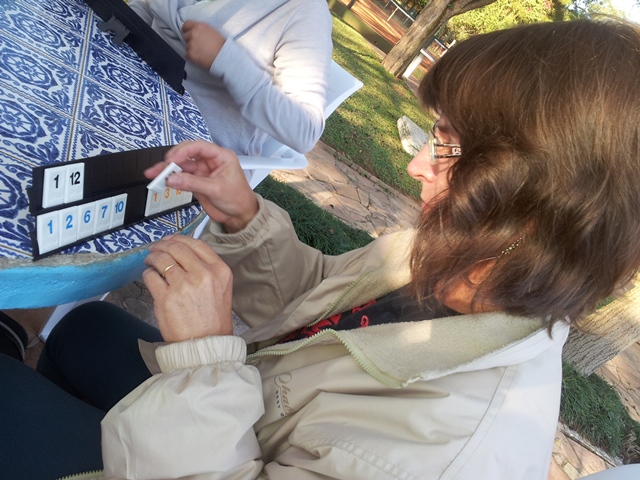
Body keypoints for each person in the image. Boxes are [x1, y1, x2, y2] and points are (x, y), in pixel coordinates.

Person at [1, 18, 640, 480]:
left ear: (545, 198)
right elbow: (319, 308)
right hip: (239, 413)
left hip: (218, 439)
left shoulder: (448, 451)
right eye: (434, 132)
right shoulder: (464, 259)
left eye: (448, 146)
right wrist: (245, 218)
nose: (417, 164)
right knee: (85, 328)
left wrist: (204, 361)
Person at [127, 0, 333, 156]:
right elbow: (147, 8)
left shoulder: (306, 11)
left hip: (194, 153)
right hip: (131, 92)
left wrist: (225, 58)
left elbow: (305, 130)